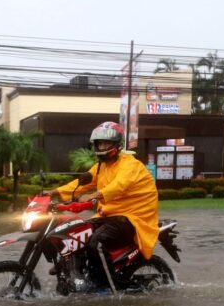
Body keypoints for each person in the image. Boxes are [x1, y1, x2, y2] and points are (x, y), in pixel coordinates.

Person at [44, 121, 159, 285]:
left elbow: (119, 185)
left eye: (106, 143)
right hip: (109, 216)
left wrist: (96, 195)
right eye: (100, 143)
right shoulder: (101, 167)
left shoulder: (130, 165)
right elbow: (80, 184)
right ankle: (75, 269)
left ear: (117, 145)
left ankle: (108, 284)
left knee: (95, 242)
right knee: (77, 233)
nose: (102, 146)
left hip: (131, 218)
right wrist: (54, 192)